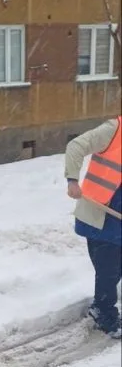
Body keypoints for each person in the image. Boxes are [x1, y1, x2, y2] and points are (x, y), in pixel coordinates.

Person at [65, 117, 122, 339]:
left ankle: (102, 306)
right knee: (108, 271)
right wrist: (72, 180)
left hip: (117, 218)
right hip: (101, 216)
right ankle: (104, 314)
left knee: (114, 270)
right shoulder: (114, 130)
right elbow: (75, 146)